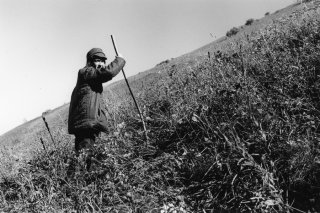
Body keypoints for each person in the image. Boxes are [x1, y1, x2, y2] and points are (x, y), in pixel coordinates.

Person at [68, 48, 126, 154]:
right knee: (85, 158)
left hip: (89, 125)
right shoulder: (86, 72)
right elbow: (108, 73)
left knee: (89, 158)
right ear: (90, 61)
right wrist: (120, 60)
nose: (101, 63)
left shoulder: (92, 77)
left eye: (103, 61)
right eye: (98, 60)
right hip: (86, 126)